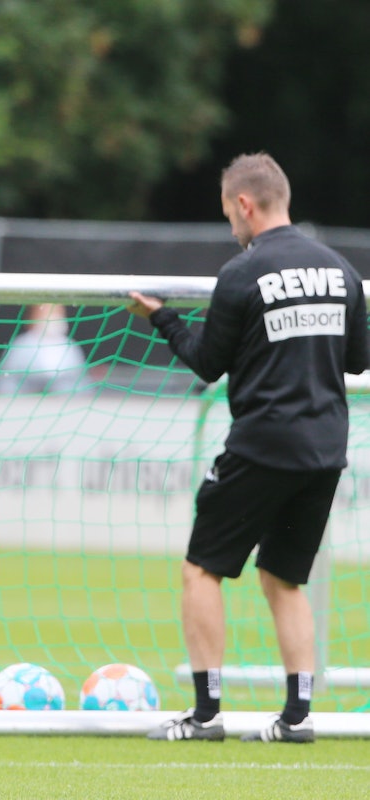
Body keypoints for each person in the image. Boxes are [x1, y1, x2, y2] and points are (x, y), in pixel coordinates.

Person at [128, 152, 369, 743]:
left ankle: (206, 714)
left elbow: (207, 364)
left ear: (244, 204)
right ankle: (297, 717)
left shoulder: (243, 272)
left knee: (202, 571)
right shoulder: (340, 271)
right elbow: (359, 360)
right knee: (285, 580)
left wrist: (161, 317)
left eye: (228, 214)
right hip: (324, 450)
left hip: (262, 444)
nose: (231, 227)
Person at [0, 303, 86, 393]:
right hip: (25, 393)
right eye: (46, 315)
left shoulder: (69, 345)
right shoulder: (22, 342)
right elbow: (8, 375)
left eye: (57, 314)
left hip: (59, 396)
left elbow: (77, 375)